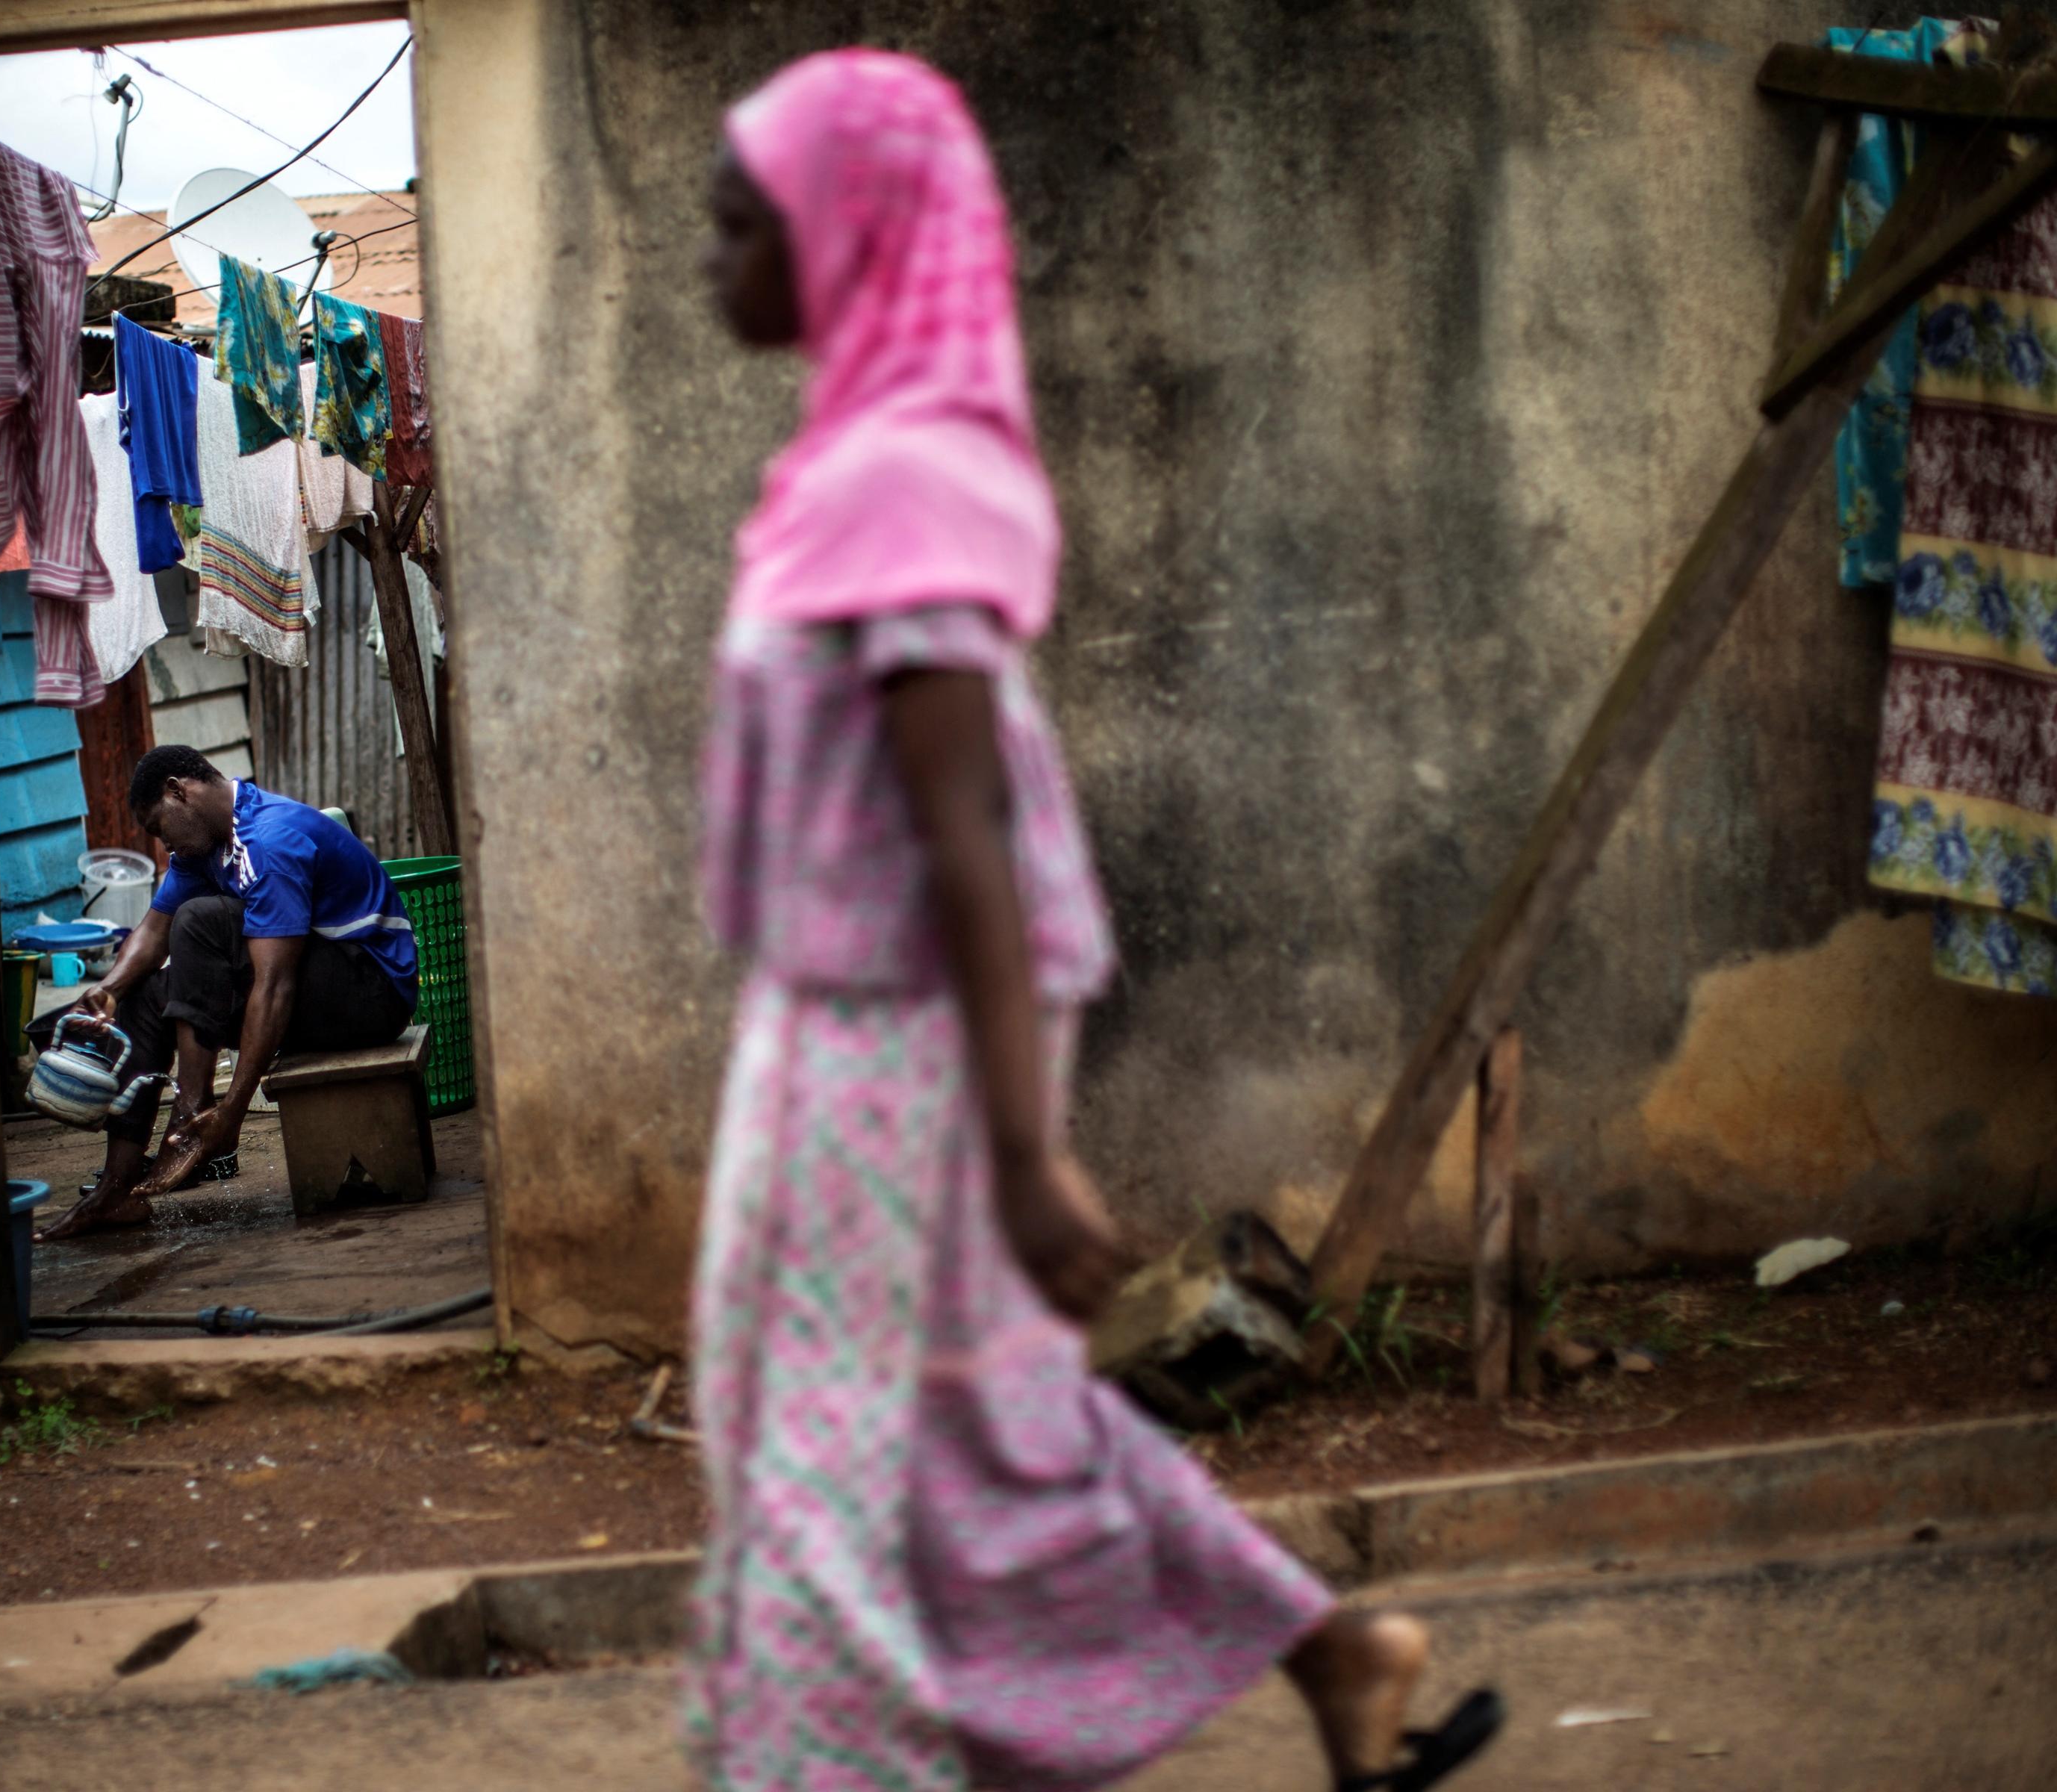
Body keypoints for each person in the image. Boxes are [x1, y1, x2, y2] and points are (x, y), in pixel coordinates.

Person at [685, 50, 1502, 1792]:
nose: (713, 249)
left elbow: (964, 815)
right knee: (970, 1408)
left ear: (851, 232)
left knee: (817, 1430)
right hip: (835, 1011)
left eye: (745, 217)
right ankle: (1337, 1651)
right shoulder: (857, 463)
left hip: (897, 1027)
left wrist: (1011, 1139)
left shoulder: (902, 474)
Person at [34, 744, 418, 1241]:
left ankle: (194, 1112)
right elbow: (153, 932)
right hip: (314, 988)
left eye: (158, 828)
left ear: (179, 792)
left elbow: (274, 986)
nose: (163, 845)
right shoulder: (205, 847)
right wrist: (107, 991)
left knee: (200, 921)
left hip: (373, 993)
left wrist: (233, 1109)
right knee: (144, 997)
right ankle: (115, 1190)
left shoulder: (270, 840)